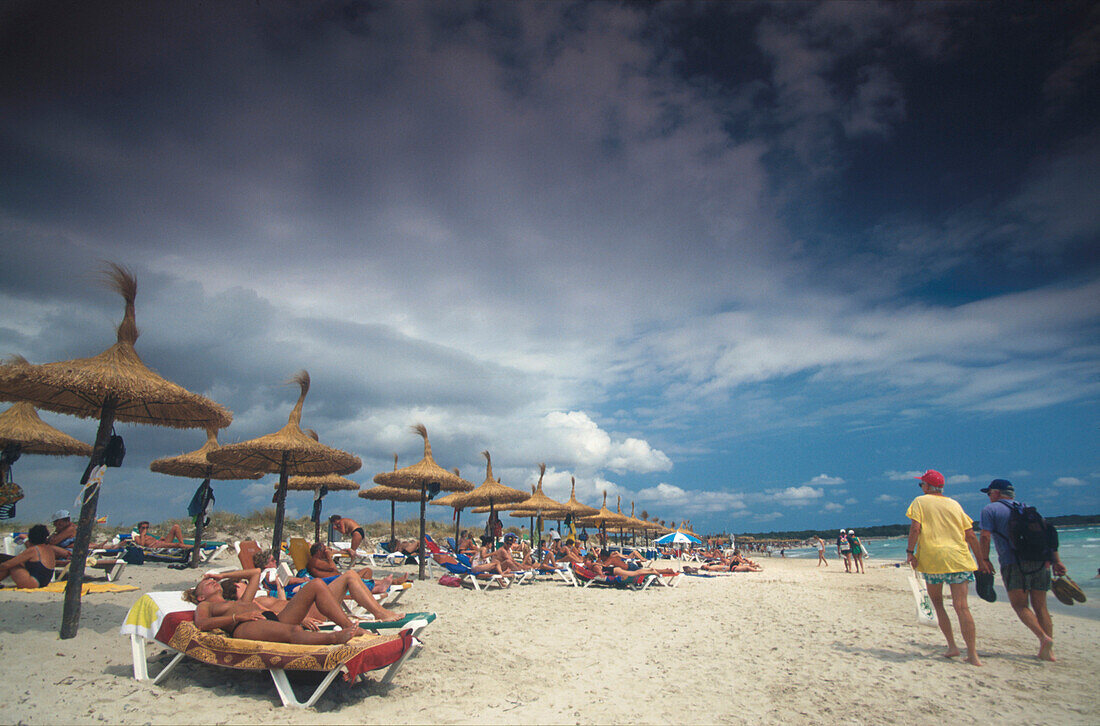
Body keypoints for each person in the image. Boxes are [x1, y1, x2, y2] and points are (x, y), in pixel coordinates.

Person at [978, 479, 1065, 661]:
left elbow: (985, 537)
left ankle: (1043, 638)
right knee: (1041, 607)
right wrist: (1056, 561)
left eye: (989, 493)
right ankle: (1048, 651)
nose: (988, 497)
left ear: (996, 493)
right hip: (1041, 562)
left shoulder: (990, 510)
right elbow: (1050, 534)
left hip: (1013, 562)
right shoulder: (1027, 509)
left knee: (1020, 605)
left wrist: (984, 559)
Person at [905, 469, 985, 667]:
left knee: (938, 603)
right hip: (959, 558)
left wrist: (910, 552)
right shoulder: (954, 504)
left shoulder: (920, 502)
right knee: (962, 606)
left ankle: (952, 646)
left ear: (927, 486)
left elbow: (916, 528)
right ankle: (973, 655)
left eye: (921, 484)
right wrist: (982, 560)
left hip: (933, 560)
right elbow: (971, 534)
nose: (921, 487)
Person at [183, 568, 358, 644]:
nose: (212, 582)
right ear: (200, 596)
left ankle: (349, 627)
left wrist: (222, 575)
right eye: (207, 583)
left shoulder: (241, 601)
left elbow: (255, 573)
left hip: (269, 619)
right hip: (243, 626)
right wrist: (237, 617)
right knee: (294, 631)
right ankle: (334, 639)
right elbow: (202, 624)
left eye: (213, 580)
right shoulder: (204, 606)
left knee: (317, 584)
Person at [252, 550, 401, 622]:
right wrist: (303, 620)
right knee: (349, 576)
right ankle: (380, 612)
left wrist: (279, 587)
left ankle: (379, 611)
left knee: (351, 575)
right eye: (240, 585)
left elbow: (281, 604)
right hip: (308, 613)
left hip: (308, 608)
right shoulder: (254, 602)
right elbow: (269, 618)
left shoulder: (258, 598)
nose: (243, 584)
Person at [0, 524, 68, 588]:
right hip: (44, 582)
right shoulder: (49, 548)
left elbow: (7, 565)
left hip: (33, 582)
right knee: (14, 563)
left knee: (11, 565)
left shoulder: (34, 550)